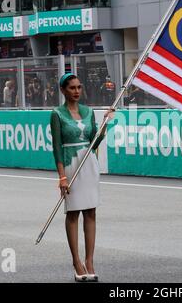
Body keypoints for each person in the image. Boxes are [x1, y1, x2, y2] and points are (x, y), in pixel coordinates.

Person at [50, 73, 114, 282]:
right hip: (70, 165)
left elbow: (94, 142)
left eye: (79, 87)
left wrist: (105, 123)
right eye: (72, 88)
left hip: (89, 164)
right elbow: (57, 147)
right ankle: (76, 262)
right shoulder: (57, 114)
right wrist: (61, 177)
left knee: (91, 212)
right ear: (63, 90)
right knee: (73, 213)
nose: (76, 91)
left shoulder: (89, 112)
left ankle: (90, 261)